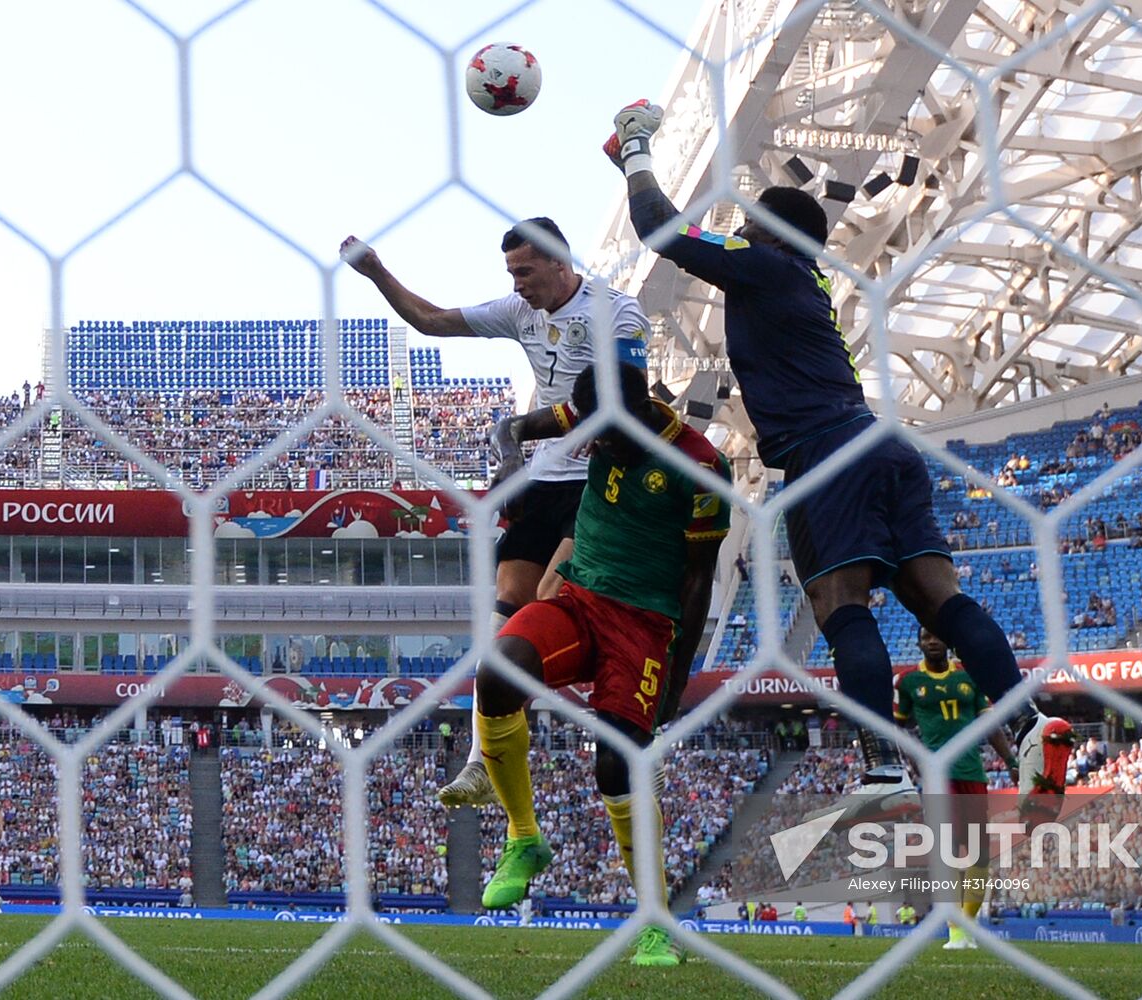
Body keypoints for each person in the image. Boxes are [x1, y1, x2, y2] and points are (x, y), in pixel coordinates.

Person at [604, 100, 1071, 806]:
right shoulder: (805, 280)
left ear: (772, 231)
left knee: (837, 603)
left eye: (751, 219)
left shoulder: (764, 264)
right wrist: (626, 167)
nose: (740, 227)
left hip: (826, 453)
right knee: (938, 597)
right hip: (883, 442)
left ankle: (882, 768)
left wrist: (638, 152)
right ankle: (1030, 719)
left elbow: (659, 230)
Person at [341, 219, 652, 809]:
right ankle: (483, 758)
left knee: (548, 603)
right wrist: (377, 272)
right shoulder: (520, 312)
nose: (517, 285)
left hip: (600, 479)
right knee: (502, 619)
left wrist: (604, 422)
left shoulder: (617, 311)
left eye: (525, 271)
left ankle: (622, 734)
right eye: (511, 274)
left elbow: (634, 390)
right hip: (544, 481)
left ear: (561, 262)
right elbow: (431, 322)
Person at [462, 364, 730, 969]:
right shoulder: (584, 417)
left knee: (616, 765)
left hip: (644, 623)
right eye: (593, 432)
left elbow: (698, 577)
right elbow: (512, 426)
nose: (600, 444)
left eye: (610, 432)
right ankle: (524, 838)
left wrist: (678, 673)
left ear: (641, 409)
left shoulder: (702, 467)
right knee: (499, 668)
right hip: (578, 599)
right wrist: (509, 460)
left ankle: (655, 924)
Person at [895, 626, 1022, 950]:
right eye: (925, 637)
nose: (933, 641)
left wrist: (1010, 761)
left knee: (979, 856)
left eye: (937, 635)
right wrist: (915, 759)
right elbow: (895, 728)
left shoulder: (969, 678)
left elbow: (990, 725)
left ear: (948, 641)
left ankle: (968, 921)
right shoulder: (909, 682)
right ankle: (955, 931)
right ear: (918, 643)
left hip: (973, 773)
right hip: (938, 778)